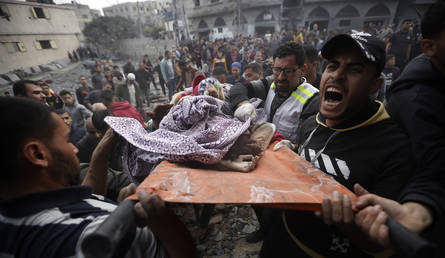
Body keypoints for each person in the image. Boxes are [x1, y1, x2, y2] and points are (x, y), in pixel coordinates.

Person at [260, 32, 414, 257]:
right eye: (332, 66)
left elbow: (384, 247)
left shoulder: (394, 148)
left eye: (354, 69)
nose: (338, 75)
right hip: (279, 241)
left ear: (375, 85)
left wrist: (350, 224)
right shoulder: (312, 123)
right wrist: (291, 153)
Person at [0, 97, 197, 257]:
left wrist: (100, 154)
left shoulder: (10, 219)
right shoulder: (101, 239)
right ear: (37, 154)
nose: (74, 148)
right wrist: (165, 223)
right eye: (67, 141)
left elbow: (86, 199)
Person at [352, 1, 445, 256]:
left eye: (355, 69)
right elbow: (432, 172)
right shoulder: (417, 102)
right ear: (429, 47)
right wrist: (417, 211)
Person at [230, 42, 319, 143]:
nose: (281, 77)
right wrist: (243, 104)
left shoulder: (312, 100)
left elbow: (310, 144)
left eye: (288, 71)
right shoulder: (270, 83)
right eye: (277, 70)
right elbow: (239, 88)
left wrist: (294, 148)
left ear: (302, 70)